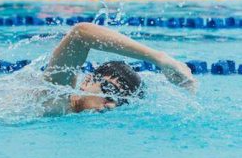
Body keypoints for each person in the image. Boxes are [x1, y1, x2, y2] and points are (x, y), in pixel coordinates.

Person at [43, 22, 196, 113]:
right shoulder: (57, 92)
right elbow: (80, 34)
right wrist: (158, 58)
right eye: (110, 93)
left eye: (120, 102)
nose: (111, 105)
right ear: (87, 82)